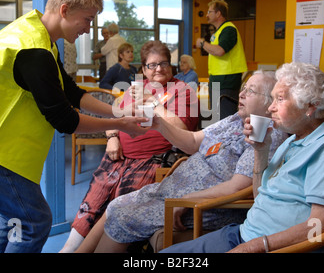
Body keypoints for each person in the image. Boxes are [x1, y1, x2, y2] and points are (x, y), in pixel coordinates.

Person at [0, 0, 149, 253]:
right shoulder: (33, 50)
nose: (89, 29)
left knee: (12, 218)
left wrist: (117, 108)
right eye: (87, 19)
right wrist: (121, 124)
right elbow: (65, 119)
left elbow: (71, 92)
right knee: (33, 222)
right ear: (64, 10)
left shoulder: (38, 35)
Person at [70, 71, 288, 253]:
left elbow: (238, 186)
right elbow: (193, 141)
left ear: (270, 101)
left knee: (123, 217)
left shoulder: (266, 134)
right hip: (173, 191)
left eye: (251, 91)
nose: (241, 94)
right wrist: (159, 125)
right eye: (244, 87)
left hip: (201, 205)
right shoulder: (234, 120)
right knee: (116, 204)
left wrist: (186, 199)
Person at [162, 62, 324, 253]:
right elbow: (261, 197)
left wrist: (258, 246)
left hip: (274, 247)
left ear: (310, 106)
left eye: (280, 99)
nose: (270, 108)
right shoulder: (293, 139)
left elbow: (318, 226)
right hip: (244, 234)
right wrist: (261, 150)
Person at [60, 40, 199, 252]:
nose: (158, 69)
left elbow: (182, 128)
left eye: (163, 63)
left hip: (152, 160)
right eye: (152, 65)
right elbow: (114, 116)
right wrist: (113, 137)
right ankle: (69, 248)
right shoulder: (135, 89)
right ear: (143, 69)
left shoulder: (182, 90)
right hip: (118, 156)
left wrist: (153, 101)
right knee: (94, 199)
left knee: (119, 205)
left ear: (171, 67)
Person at [196, 0, 247, 120]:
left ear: (218, 13)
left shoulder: (229, 29)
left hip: (227, 80)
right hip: (217, 78)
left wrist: (203, 43)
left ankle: (226, 139)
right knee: (217, 117)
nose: (207, 15)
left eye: (209, 11)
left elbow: (220, 51)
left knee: (225, 118)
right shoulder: (219, 31)